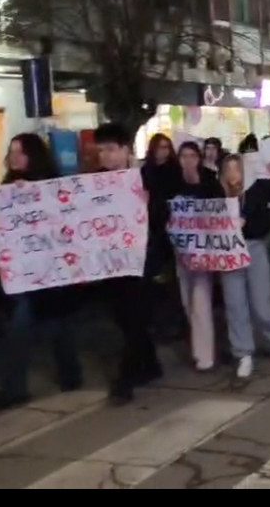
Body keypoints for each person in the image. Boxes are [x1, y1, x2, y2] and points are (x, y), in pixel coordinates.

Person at [0, 134, 83, 410]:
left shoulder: (51, 186)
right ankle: (18, 387)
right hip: (22, 276)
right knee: (28, 325)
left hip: (50, 273)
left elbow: (66, 223)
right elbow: (4, 232)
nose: (15, 157)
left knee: (53, 323)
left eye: (21, 152)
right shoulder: (6, 189)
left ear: (34, 156)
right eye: (11, 152)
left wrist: (33, 195)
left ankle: (67, 375)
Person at [92, 123, 161, 404]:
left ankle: (125, 380)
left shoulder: (144, 177)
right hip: (110, 262)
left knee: (133, 318)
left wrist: (148, 205)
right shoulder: (94, 182)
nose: (105, 156)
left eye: (110, 149)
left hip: (139, 260)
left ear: (125, 150)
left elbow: (162, 216)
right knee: (123, 317)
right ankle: (151, 364)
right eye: (100, 150)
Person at [218, 155, 270, 378]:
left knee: (260, 302)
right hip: (228, 253)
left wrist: (246, 222)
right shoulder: (218, 194)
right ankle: (243, 353)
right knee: (234, 304)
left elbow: (266, 222)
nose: (232, 175)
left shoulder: (255, 191)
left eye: (236, 169)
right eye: (228, 170)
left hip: (253, 249)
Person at [173, 141, 225, 371]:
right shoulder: (173, 182)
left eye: (192, 155)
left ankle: (205, 356)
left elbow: (220, 208)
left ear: (199, 157)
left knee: (201, 301)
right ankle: (198, 347)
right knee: (188, 302)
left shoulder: (209, 181)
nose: (188, 160)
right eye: (183, 156)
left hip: (203, 250)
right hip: (181, 251)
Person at [141, 134, 185, 342]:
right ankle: (155, 323)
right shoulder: (144, 171)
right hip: (152, 230)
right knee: (153, 280)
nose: (163, 151)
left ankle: (173, 322)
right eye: (160, 147)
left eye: (167, 147)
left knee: (172, 279)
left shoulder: (175, 171)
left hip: (173, 229)